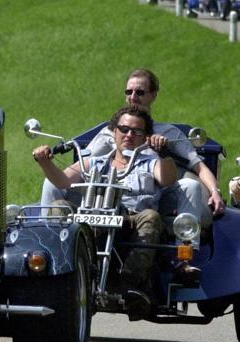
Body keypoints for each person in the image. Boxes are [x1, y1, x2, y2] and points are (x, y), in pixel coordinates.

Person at [33, 106, 175, 319]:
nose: (129, 135)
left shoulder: (151, 163)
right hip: (94, 216)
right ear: (113, 131)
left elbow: (168, 179)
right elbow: (63, 181)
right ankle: (59, 275)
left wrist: (164, 154)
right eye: (124, 129)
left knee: (151, 217)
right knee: (59, 207)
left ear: (145, 137)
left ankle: (131, 284)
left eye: (136, 131)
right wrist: (45, 162)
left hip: (131, 220)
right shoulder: (95, 162)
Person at [42, 68, 225, 226]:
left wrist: (215, 193)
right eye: (129, 92)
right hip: (108, 194)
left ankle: (184, 251)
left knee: (190, 185)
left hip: (152, 194)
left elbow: (198, 166)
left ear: (153, 95)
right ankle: (48, 242)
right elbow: (85, 162)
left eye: (140, 92)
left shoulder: (168, 133)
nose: (133, 97)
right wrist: (48, 164)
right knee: (51, 183)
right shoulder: (110, 131)